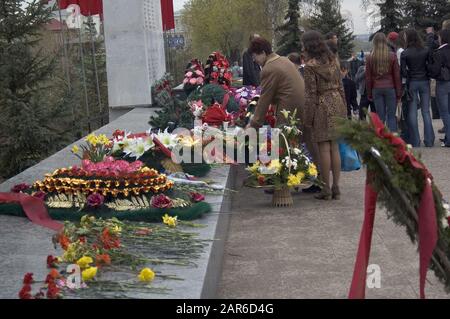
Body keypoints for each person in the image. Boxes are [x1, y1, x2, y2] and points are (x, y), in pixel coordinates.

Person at [303, 30, 347, 201]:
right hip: (337, 102)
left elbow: (310, 94)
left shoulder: (310, 66)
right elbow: (341, 86)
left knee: (323, 148)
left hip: (321, 106)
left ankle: (325, 188)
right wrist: (344, 108)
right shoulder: (333, 61)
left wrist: (308, 118)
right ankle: (336, 187)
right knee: (334, 147)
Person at [401, 29, 434, 148]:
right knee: (426, 111)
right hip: (424, 81)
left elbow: (403, 72)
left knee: (412, 112)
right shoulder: (425, 50)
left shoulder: (405, 53)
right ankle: (429, 140)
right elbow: (430, 65)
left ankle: (415, 141)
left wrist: (410, 75)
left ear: (408, 38)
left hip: (413, 82)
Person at [366, 32, 402, 132]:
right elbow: (397, 76)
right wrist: (398, 93)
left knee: (380, 118)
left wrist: (369, 93)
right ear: (385, 42)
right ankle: (394, 143)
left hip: (376, 89)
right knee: (391, 117)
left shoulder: (369, 57)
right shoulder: (392, 56)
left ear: (374, 43)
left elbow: (368, 78)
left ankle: (381, 143)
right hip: (390, 88)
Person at [429, 29, 450, 147]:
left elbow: (435, 70)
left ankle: (449, 139)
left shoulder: (439, 52)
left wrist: (429, 67)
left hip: (443, 83)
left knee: (445, 113)